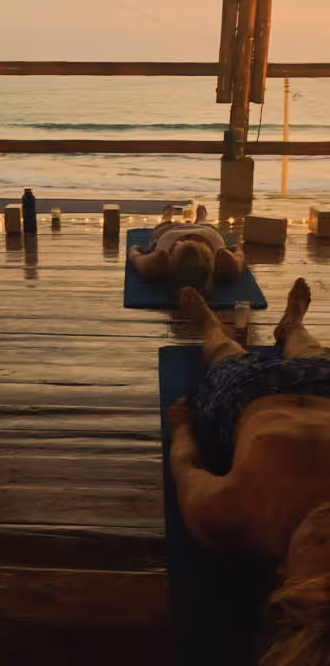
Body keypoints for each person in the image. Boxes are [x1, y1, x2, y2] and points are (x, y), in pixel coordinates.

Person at [170, 279, 330, 665]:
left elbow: (186, 466)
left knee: (225, 354)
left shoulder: (231, 516)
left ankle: (208, 320)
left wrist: (179, 428)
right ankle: (290, 324)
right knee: (311, 350)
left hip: (249, 400)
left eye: (318, 543)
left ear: (282, 575)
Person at [127, 203, 245, 297]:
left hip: (168, 230)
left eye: (180, 244)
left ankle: (166, 218)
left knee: (163, 225)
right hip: (207, 232)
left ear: (170, 260)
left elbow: (134, 256)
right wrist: (235, 250)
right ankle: (201, 219)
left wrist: (136, 250)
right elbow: (239, 254)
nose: (184, 239)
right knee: (205, 224)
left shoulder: (159, 261)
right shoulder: (224, 261)